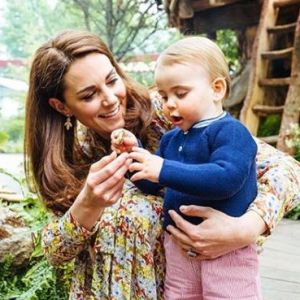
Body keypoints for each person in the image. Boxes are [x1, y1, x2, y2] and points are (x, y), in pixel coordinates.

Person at [23, 30, 300, 300]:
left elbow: (286, 170)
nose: (110, 99)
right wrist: (87, 204)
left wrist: (246, 228)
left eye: (112, 80)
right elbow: (55, 252)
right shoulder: (64, 158)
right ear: (62, 107)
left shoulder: (172, 110)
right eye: (88, 95)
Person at [112, 36, 261, 299]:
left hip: (226, 250)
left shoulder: (231, 132)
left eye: (180, 94)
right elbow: (151, 182)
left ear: (217, 89)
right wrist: (133, 156)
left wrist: (163, 169)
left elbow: (227, 178)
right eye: (164, 95)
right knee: (179, 295)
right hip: (179, 247)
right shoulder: (171, 139)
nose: (169, 104)